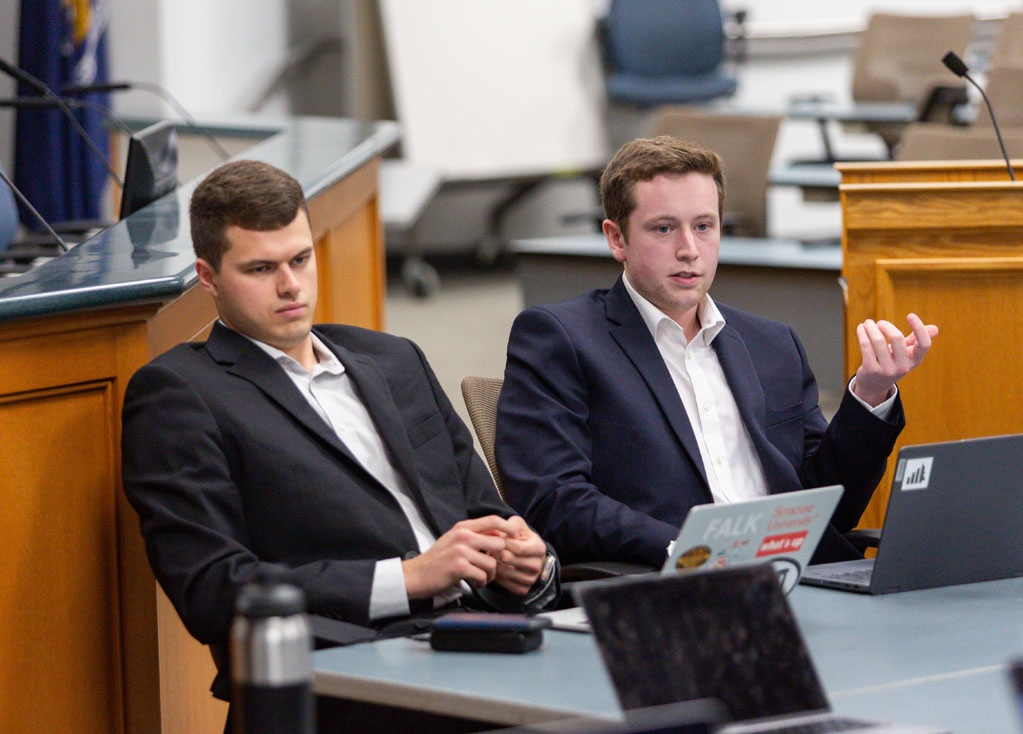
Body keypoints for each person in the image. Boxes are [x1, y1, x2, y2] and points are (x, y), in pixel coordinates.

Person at [121, 160, 558, 699]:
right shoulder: (178, 395)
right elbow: (213, 589)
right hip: (352, 674)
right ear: (208, 278)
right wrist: (408, 578)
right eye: (260, 270)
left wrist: (528, 562)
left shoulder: (395, 359)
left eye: (301, 260)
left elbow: (483, 512)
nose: (290, 286)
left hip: (490, 637)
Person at [496, 136, 937, 569]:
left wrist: (871, 394)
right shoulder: (560, 339)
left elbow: (828, 506)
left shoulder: (774, 344)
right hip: (671, 587)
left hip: (800, 581)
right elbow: (554, 501)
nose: (689, 249)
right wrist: (696, 550)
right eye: (664, 229)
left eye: (703, 226)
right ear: (617, 239)